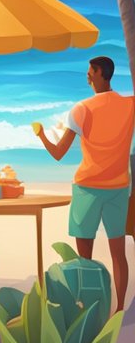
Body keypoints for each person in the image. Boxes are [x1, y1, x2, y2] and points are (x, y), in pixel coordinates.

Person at [35, 56, 135, 312]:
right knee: (118, 253)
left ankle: (87, 307)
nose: (87, 75)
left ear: (100, 72)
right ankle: (120, 308)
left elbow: (58, 153)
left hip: (88, 187)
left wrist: (41, 134)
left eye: (90, 71)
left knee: (84, 258)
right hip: (119, 187)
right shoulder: (130, 104)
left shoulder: (82, 108)